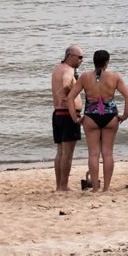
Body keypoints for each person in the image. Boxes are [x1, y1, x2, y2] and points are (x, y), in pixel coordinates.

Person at [65, 50, 128, 192]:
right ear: (107, 62)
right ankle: (106, 188)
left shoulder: (84, 77)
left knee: (93, 154)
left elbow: (70, 97)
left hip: (90, 116)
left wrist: (74, 118)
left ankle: (95, 188)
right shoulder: (114, 77)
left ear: (94, 61)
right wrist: (125, 116)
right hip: (110, 116)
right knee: (108, 153)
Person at [51, 44, 84, 192]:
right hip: (67, 114)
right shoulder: (68, 70)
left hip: (58, 114)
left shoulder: (57, 68)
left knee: (60, 152)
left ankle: (59, 185)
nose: (81, 60)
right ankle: (63, 185)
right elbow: (65, 83)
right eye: (80, 57)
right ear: (70, 56)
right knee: (67, 154)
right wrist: (70, 96)